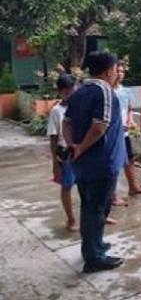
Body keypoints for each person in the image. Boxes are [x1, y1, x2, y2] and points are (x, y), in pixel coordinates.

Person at [63, 51, 126, 273]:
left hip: (84, 163)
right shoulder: (105, 90)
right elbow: (99, 126)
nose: (117, 73)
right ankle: (94, 257)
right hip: (101, 162)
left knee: (92, 206)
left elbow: (67, 122)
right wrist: (80, 147)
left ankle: (94, 244)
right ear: (109, 70)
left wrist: (74, 146)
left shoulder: (79, 93)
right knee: (96, 208)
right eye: (116, 69)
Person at [112, 60, 141, 207]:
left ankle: (133, 186)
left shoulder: (125, 91)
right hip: (113, 133)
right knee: (114, 164)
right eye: (118, 71)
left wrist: (130, 121)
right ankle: (113, 195)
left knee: (129, 160)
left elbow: (128, 109)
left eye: (122, 71)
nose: (120, 74)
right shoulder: (107, 91)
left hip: (125, 132)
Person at [47, 74, 78, 232]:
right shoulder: (56, 111)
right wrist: (55, 163)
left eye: (72, 91)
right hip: (65, 153)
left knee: (87, 185)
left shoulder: (81, 106)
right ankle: (71, 219)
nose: (69, 94)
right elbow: (53, 138)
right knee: (67, 185)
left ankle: (98, 216)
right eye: (66, 91)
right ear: (59, 92)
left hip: (82, 150)